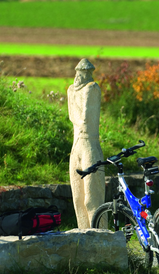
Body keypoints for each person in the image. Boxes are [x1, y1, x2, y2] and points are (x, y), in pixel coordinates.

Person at [68, 58, 106, 229]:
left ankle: (100, 234)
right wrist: (73, 95)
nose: (78, 77)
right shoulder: (71, 90)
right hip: (76, 146)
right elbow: (73, 117)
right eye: (78, 73)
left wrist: (74, 98)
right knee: (77, 197)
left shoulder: (92, 88)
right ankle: (83, 234)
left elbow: (83, 120)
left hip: (89, 145)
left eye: (82, 74)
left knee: (92, 197)